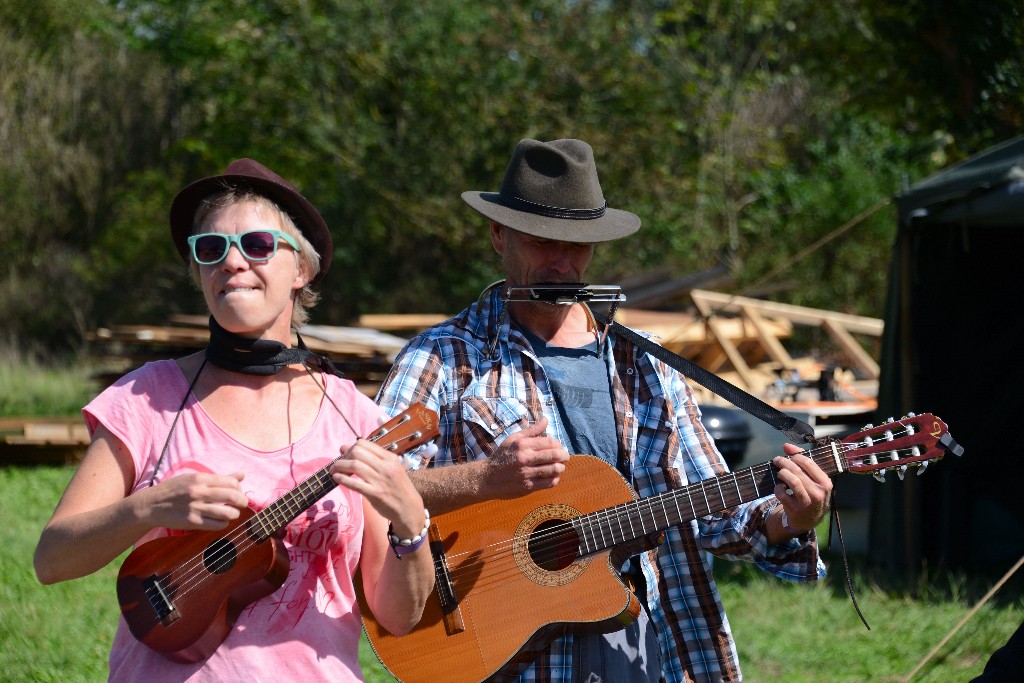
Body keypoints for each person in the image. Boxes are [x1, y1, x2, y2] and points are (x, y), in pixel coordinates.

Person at [375, 138, 833, 682]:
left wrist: (791, 519)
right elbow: (372, 489)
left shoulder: (648, 363)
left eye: (580, 245)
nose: (563, 262)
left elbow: (719, 515)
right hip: (501, 651)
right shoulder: (443, 357)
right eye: (543, 241)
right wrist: (485, 479)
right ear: (499, 235)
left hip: (654, 646)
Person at [33, 158, 434, 681]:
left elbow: (400, 617)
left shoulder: (357, 417)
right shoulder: (146, 396)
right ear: (199, 271)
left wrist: (409, 524)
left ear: (302, 270)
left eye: (258, 245)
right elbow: (51, 560)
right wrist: (149, 508)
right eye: (211, 248)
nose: (233, 262)